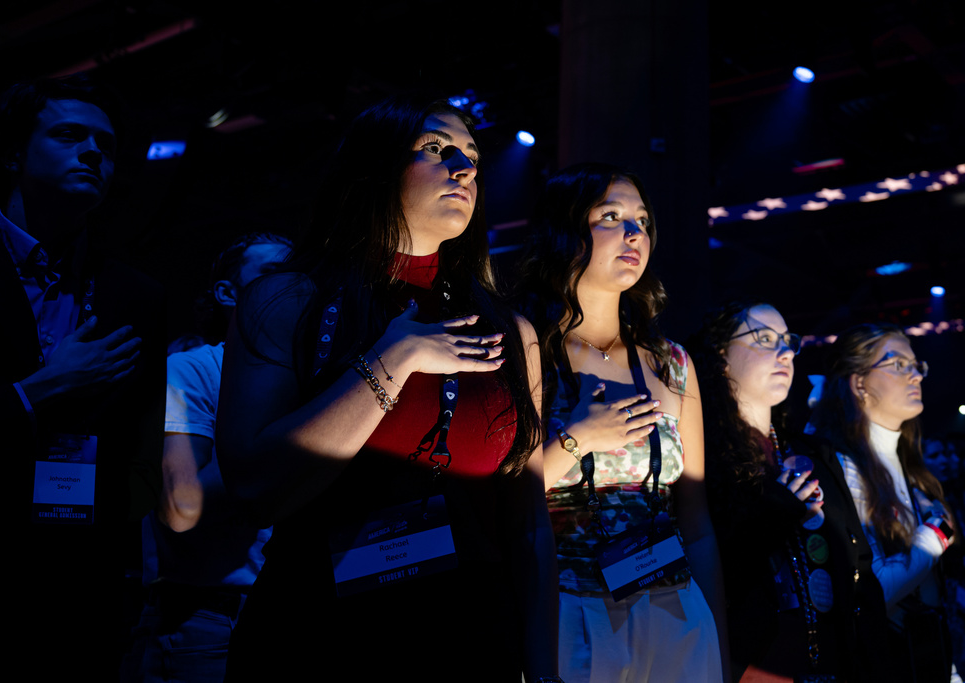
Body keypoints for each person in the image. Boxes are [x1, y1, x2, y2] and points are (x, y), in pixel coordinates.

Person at [215, 95, 560, 682]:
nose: (465, 167)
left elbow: (526, 522)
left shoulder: (510, 332)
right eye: (435, 148)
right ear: (375, 168)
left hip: (471, 639)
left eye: (472, 155)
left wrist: (545, 668)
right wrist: (392, 360)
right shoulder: (288, 301)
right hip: (320, 635)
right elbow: (255, 490)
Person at [0, 74, 165, 679]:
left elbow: (142, 456)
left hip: (81, 594)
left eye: (107, 146)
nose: (94, 152)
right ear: (15, 153)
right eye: (70, 135)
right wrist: (36, 393)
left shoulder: (137, 297)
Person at [515, 163, 725, 682]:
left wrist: (719, 640)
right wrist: (578, 438)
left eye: (643, 221)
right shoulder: (525, 347)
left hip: (678, 608)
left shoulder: (671, 362)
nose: (635, 234)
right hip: (572, 607)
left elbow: (696, 524)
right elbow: (504, 500)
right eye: (612, 216)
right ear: (567, 227)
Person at [688, 303, 893, 682]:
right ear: (720, 356)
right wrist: (773, 515)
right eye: (764, 339)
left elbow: (860, 573)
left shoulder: (815, 455)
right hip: (751, 666)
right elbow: (705, 574)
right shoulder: (698, 458)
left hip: (833, 664)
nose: (784, 353)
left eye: (788, 342)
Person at [123, 232, 292, 682]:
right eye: (274, 274)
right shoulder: (189, 369)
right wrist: (291, 434)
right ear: (226, 292)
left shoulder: (305, 381)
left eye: (299, 277)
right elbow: (182, 506)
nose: (293, 287)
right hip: (202, 619)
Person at [813, 323, 956, 682]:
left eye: (917, 366)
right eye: (898, 364)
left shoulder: (909, 466)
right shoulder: (842, 467)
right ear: (859, 383)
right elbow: (869, 594)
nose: (915, 376)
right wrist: (935, 537)